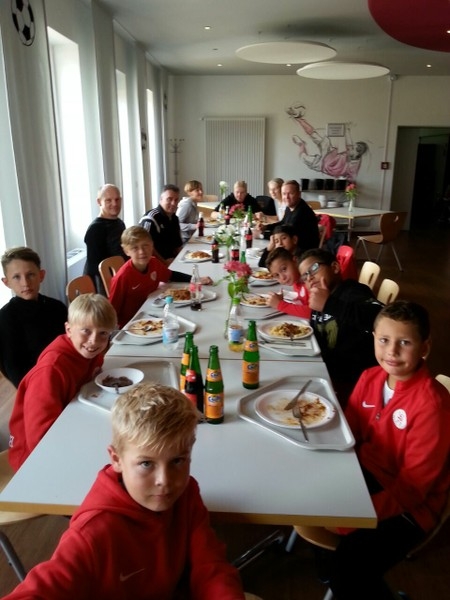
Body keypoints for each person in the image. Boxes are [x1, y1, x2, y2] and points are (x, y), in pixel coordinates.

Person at [2, 382, 247, 599]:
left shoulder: (187, 493)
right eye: (146, 464)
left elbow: (210, 566)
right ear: (116, 459)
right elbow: (45, 587)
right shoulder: (93, 533)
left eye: (177, 461)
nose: (164, 480)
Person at [328, 301, 450, 600]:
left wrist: (359, 513)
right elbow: (350, 432)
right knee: (313, 501)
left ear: (425, 347)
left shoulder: (432, 406)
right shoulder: (370, 377)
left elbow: (414, 488)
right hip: (370, 475)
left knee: (348, 568)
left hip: (411, 508)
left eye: (404, 342)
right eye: (384, 340)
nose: (392, 351)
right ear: (374, 339)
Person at [8, 293, 117, 471]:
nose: (94, 341)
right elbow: (40, 438)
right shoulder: (51, 370)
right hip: (33, 459)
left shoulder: (90, 352)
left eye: (103, 333)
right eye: (86, 331)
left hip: (71, 422)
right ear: (69, 330)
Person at [296, 247, 383, 404]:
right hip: (324, 370)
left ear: (335, 267)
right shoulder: (321, 297)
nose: (309, 277)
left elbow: (381, 317)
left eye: (314, 268)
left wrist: (329, 304)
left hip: (352, 383)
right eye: (305, 276)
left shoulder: (353, 291)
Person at [109, 226, 213, 327]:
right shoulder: (122, 277)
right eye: (135, 248)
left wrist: (196, 279)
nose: (142, 252)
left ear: (152, 245)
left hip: (152, 313)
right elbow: (111, 311)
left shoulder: (153, 263)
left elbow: (171, 275)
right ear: (126, 251)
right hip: (132, 324)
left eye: (145, 245)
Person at [0, 247, 67, 388]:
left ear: (41, 275)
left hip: (66, 375)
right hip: (36, 386)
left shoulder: (57, 307)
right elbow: (12, 369)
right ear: (6, 282)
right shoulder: (5, 318)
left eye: (30, 274)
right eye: (16, 277)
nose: (25, 283)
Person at [286, 104, 368, 181]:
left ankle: (301, 145)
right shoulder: (349, 151)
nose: (351, 148)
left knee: (304, 158)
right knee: (318, 137)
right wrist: (347, 129)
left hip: (321, 164)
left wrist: (344, 181)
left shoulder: (354, 164)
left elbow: (351, 177)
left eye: (353, 149)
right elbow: (348, 139)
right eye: (353, 147)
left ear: (358, 154)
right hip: (328, 153)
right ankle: (300, 120)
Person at [83, 184, 127, 293]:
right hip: (104, 286)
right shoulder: (95, 229)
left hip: (120, 277)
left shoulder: (119, 223)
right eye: (108, 200)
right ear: (99, 202)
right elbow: (95, 268)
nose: (114, 204)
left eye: (117, 199)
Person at [259, 180, 320, 251]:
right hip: (291, 246)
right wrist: (266, 227)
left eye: (291, 193)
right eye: (284, 194)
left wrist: (261, 235)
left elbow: (286, 236)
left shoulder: (302, 212)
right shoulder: (290, 206)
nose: (287, 197)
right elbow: (282, 223)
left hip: (303, 252)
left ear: (299, 194)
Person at [139, 184, 183, 265]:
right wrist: (165, 263)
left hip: (173, 261)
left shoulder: (174, 218)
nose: (173, 203)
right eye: (169, 199)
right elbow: (146, 248)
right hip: (156, 263)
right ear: (161, 200)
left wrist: (184, 258)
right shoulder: (150, 219)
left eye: (176, 200)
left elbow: (178, 245)